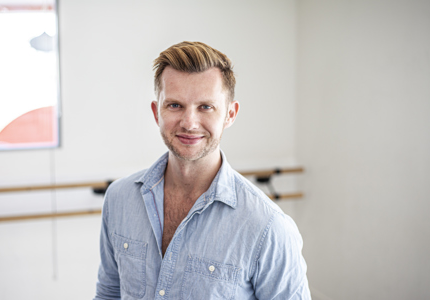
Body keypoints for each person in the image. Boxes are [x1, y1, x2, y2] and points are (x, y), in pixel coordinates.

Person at [94, 41, 310, 299]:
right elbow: (108, 293)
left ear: (230, 114)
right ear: (156, 112)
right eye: (175, 105)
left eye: (205, 107)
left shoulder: (268, 227)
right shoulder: (119, 199)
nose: (189, 123)